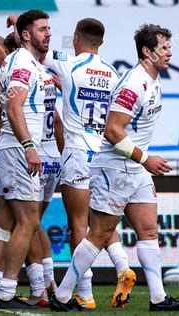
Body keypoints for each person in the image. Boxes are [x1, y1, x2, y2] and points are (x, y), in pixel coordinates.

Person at [49, 24, 179, 312]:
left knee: (149, 230)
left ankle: (158, 298)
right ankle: (63, 295)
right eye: (164, 47)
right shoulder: (133, 83)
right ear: (147, 51)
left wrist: (143, 164)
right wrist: (147, 159)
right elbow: (113, 131)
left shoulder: (153, 80)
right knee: (99, 234)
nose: (170, 52)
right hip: (115, 168)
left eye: (169, 46)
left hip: (136, 168)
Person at [41, 18, 134, 309]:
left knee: (78, 224)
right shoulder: (113, 73)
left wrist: (20, 24)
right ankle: (122, 268)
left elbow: (33, 51)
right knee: (102, 222)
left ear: (76, 39)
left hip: (78, 152)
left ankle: (85, 292)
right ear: (102, 43)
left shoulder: (68, 63)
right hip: (106, 154)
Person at [0, 10, 52, 309]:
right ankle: (8, 292)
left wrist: (15, 22)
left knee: (5, 223)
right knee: (29, 220)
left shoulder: (14, 58)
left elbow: (14, 39)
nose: (48, 34)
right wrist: (29, 145)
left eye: (49, 28)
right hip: (17, 149)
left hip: (5, 148)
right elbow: (13, 106)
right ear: (26, 36)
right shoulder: (23, 61)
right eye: (41, 29)